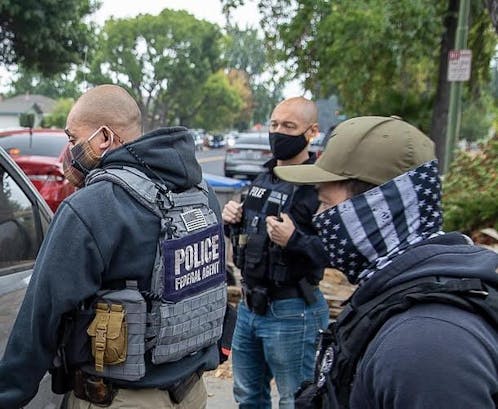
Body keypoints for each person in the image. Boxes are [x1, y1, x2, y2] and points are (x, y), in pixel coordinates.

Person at [0, 84, 226, 409]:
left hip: (120, 400)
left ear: (104, 138)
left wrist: (9, 395)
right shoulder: (201, 195)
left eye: (73, 139)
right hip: (192, 393)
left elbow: (39, 322)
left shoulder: (92, 207)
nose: (69, 151)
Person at [274, 116, 498, 409]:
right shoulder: (398, 292)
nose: (318, 217)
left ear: (377, 208)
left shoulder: (425, 346)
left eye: (327, 204)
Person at [222, 97, 330, 409]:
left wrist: (295, 240)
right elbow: (248, 240)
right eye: (274, 124)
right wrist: (233, 220)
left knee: (296, 401)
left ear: (311, 132)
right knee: (247, 397)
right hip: (249, 309)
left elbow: (334, 252)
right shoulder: (264, 177)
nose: (278, 132)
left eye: (288, 126)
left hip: (293, 311)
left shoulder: (319, 186)